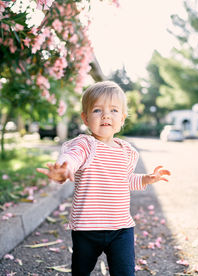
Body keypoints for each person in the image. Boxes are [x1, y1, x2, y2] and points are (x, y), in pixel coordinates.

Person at [37, 81, 170, 276]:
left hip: (121, 228)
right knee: (81, 271)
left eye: (114, 110)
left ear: (123, 118)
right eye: (98, 110)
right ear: (85, 118)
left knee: (125, 272)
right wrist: (64, 169)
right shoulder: (86, 144)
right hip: (87, 228)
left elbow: (124, 180)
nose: (106, 115)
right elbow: (72, 157)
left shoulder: (127, 151)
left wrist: (146, 179)